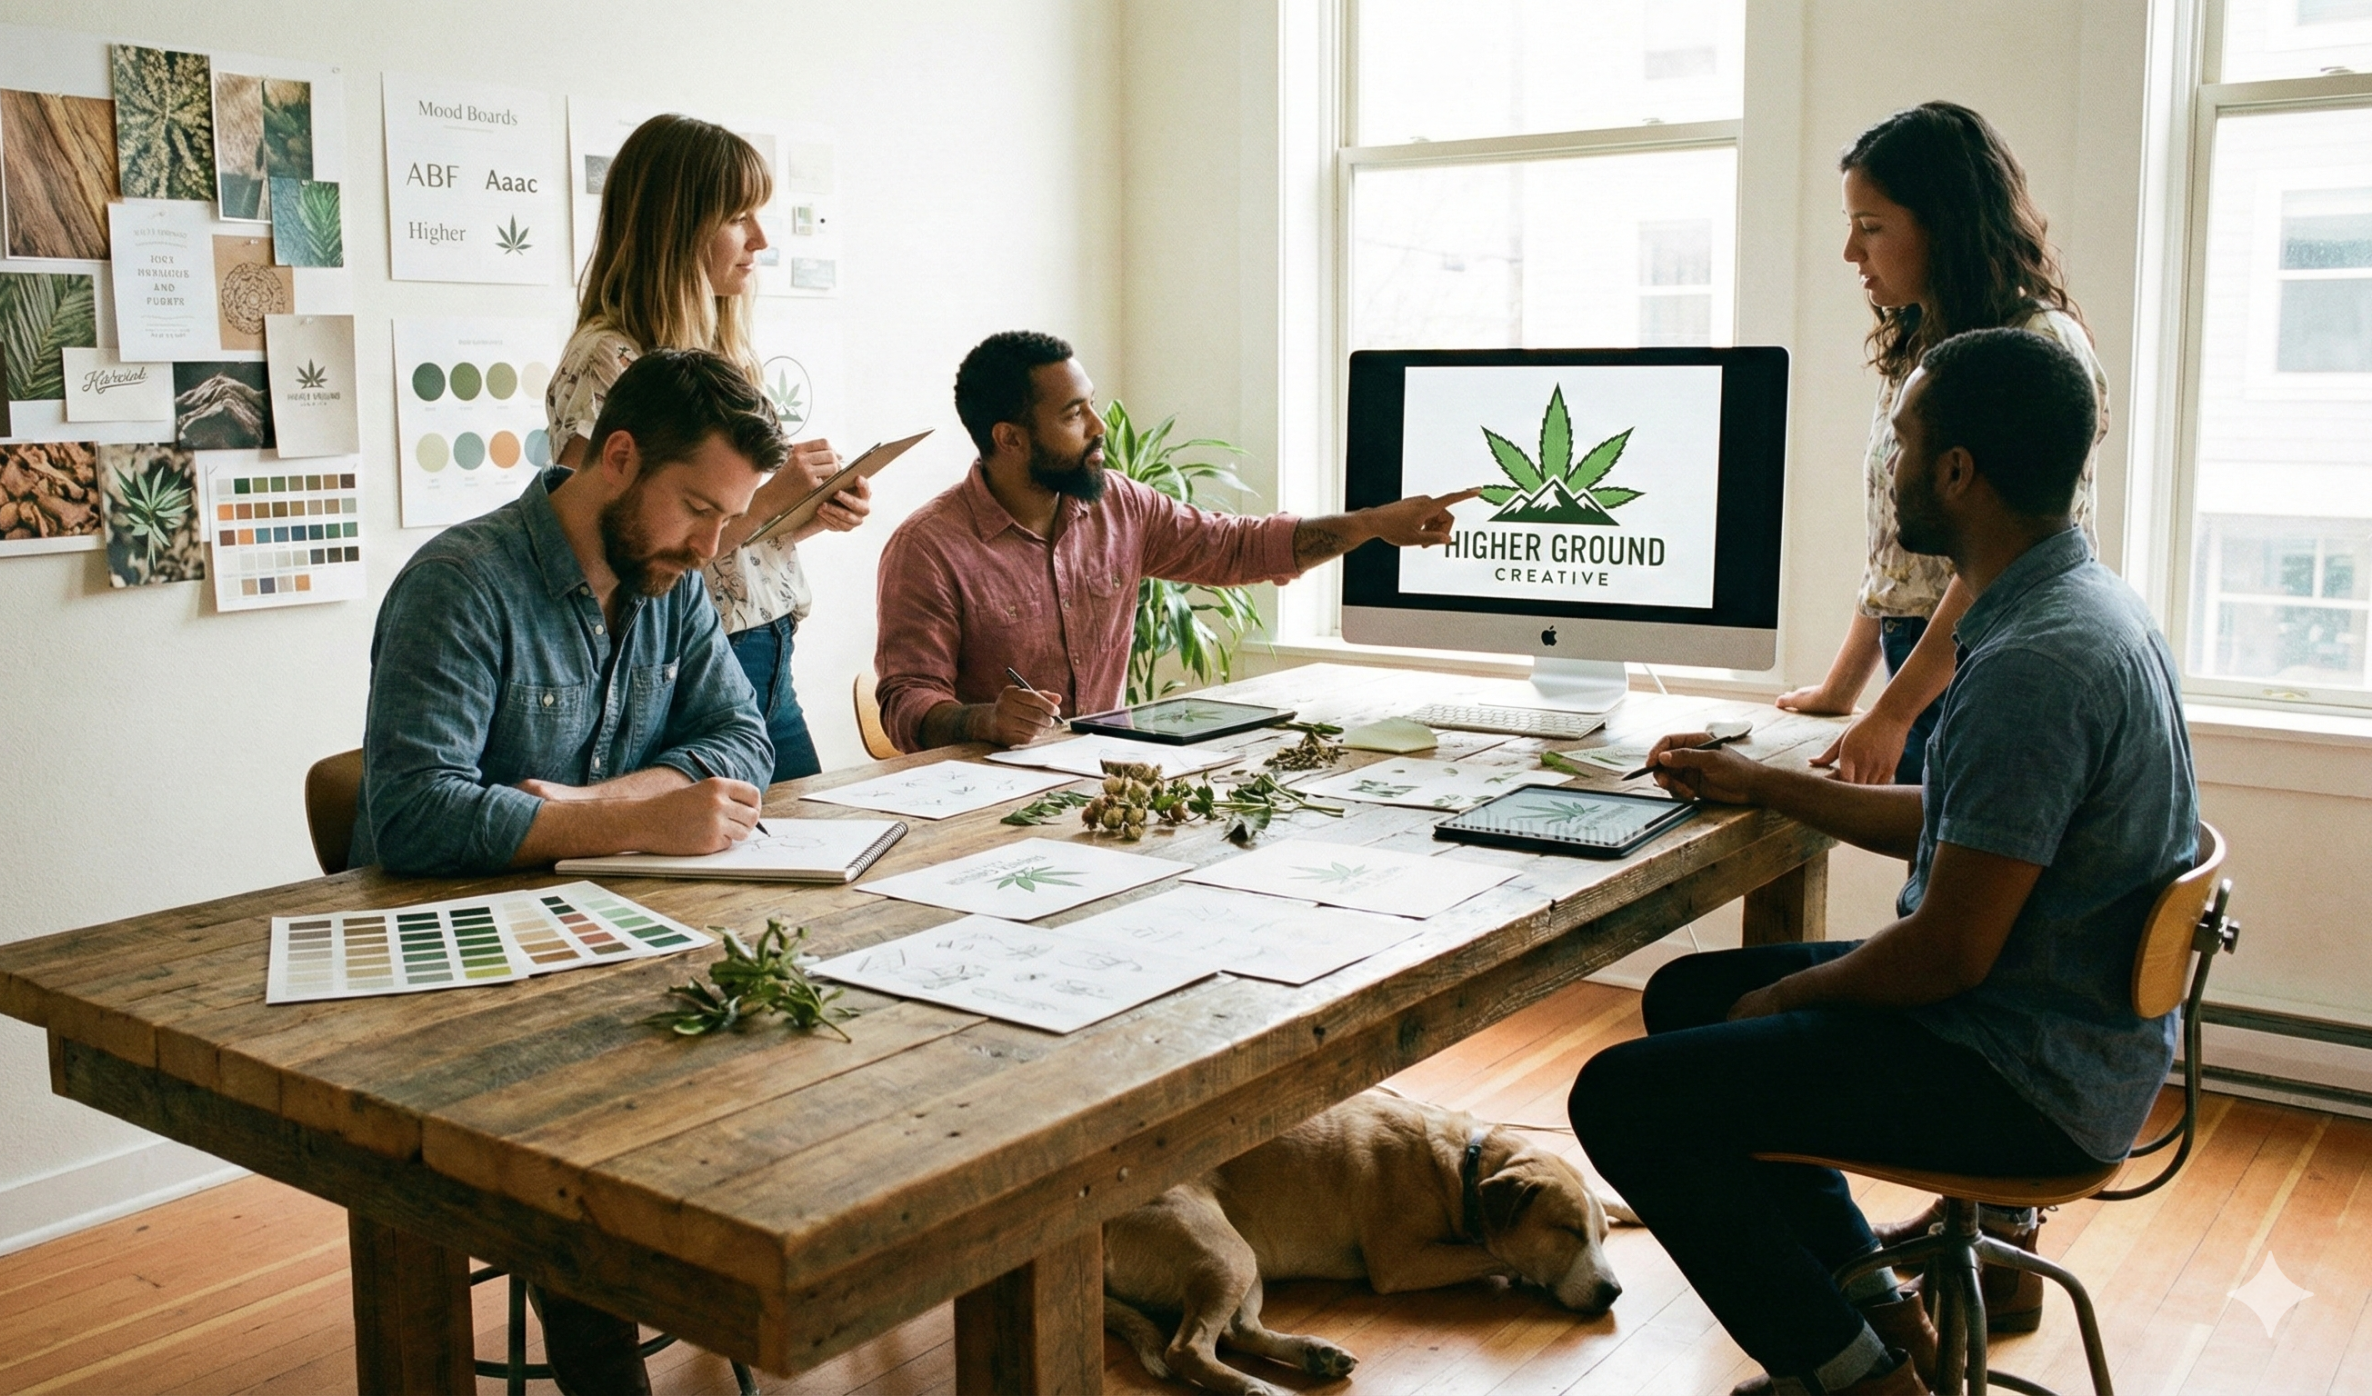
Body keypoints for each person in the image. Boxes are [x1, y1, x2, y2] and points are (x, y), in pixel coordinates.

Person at [1567, 328, 2199, 1396]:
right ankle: (1875, 1314)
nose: (1886, 467)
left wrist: (1788, 994)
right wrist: (1768, 783)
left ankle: (1860, 1383)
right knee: (1685, 994)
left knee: (1621, 1100)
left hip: (2019, 1069)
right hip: (2069, 1024)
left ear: (1957, 472)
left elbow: (1947, 951)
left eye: (1900, 443)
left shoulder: (2033, 665)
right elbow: (1971, 824)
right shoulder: (2078, 603)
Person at [355, 349, 786, 1396]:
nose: (712, 544)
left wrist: (610, 805)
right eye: (697, 507)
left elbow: (743, 737)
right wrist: (634, 824)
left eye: (728, 517)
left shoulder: (668, 584)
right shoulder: (461, 584)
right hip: (461, 987)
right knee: (575, 1182)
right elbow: (410, 814)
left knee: (781, 1092)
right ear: (617, 457)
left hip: (618, 945)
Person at [875, 330, 1475, 752]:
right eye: (1073, 414)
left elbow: (1240, 548)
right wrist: (984, 719)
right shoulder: (928, 549)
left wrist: (1370, 523)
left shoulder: (1121, 504)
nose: (1100, 427)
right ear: (1009, 438)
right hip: (981, 801)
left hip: (1097, 779)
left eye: (1093, 406)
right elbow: (904, 706)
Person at [1777, 101, 2107, 787]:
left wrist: (1894, 713)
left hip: (1983, 661)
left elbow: (2002, 563)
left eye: (1871, 228)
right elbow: (1898, 554)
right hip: (1922, 657)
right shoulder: (1923, 339)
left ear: (1946, 227)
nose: (1851, 253)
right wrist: (1845, 688)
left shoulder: (2035, 348)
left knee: (1946, 883)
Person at [548, 113, 871, 785]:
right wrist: (769, 503)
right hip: (694, 662)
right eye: (738, 217)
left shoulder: (726, 355)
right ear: (677, 227)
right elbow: (609, 553)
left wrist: (800, 515)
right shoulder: (610, 360)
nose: (760, 239)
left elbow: (725, 533)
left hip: (768, 647)